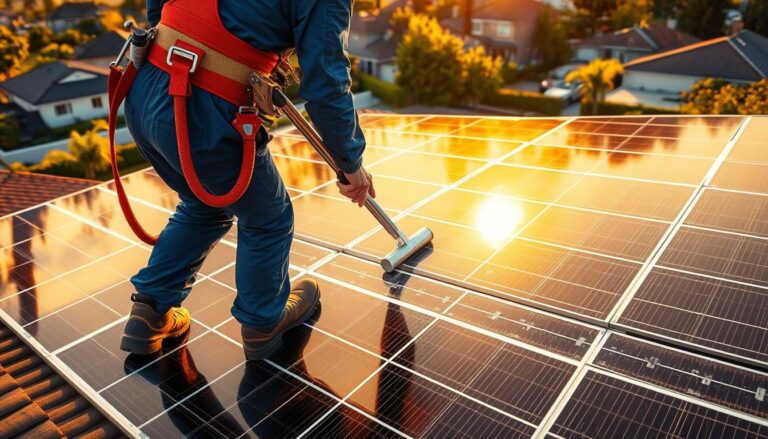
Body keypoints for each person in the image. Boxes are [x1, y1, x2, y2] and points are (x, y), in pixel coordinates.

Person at [119, 0, 375, 361]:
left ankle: (150, 312)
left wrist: (180, 44)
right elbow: (325, 83)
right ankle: (263, 321)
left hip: (144, 86)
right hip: (203, 106)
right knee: (268, 217)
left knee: (204, 203)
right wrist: (350, 163)